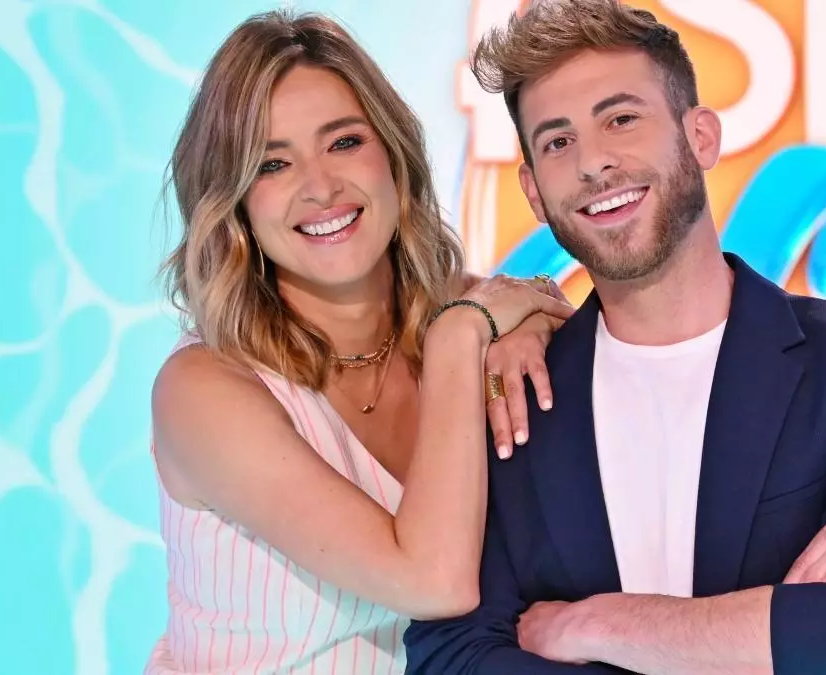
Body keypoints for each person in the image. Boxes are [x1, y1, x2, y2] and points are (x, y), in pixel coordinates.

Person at [404, 1, 826, 674]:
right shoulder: (509, 396)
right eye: (557, 142)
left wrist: (593, 624)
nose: (593, 162)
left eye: (621, 119)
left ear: (700, 137)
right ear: (532, 191)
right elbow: (452, 657)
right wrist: (764, 638)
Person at [144, 10, 575, 674]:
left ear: (393, 156)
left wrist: (532, 324)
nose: (321, 188)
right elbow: (433, 582)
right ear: (235, 204)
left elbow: (546, 307)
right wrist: (461, 338)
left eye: (344, 142)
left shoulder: (462, 311)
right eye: (272, 164)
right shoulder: (203, 391)